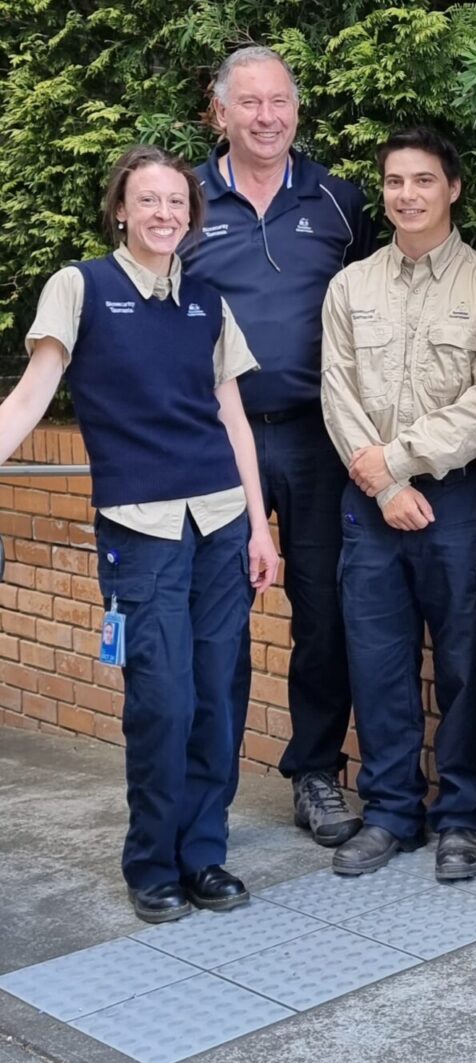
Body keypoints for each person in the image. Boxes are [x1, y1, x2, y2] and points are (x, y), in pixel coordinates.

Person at [0, 145, 279, 922]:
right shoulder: (79, 287)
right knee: (163, 700)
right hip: (142, 530)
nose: (164, 215)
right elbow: (29, 400)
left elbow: (233, 419)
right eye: (148, 201)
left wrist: (261, 526)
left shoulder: (207, 299)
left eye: (177, 203)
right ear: (120, 210)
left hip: (222, 523)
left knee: (221, 696)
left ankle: (204, 857)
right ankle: (151, 861)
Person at [182, 46, 375, 849]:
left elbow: (375, 308)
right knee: (215, 616)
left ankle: (316, 773)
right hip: (215, 443)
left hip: (318, 440)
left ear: (297, 108)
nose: (268, 117)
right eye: (250, 103)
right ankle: (202, 788)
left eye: (281, 102)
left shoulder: (337, 199)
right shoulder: (183, 199)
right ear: (219, 112)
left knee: (325, 614)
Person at [320, 126, 476, 879]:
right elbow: (336, 393)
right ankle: (392, 813)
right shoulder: (352, 288)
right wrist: (383, 485)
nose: (408, 195)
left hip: (460, 503)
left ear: (453, 188)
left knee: (466, 664)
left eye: (424, 181)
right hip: (370, 506)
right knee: (379, 662)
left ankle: (463, 818)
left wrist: (400, 463)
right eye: (396, 182)